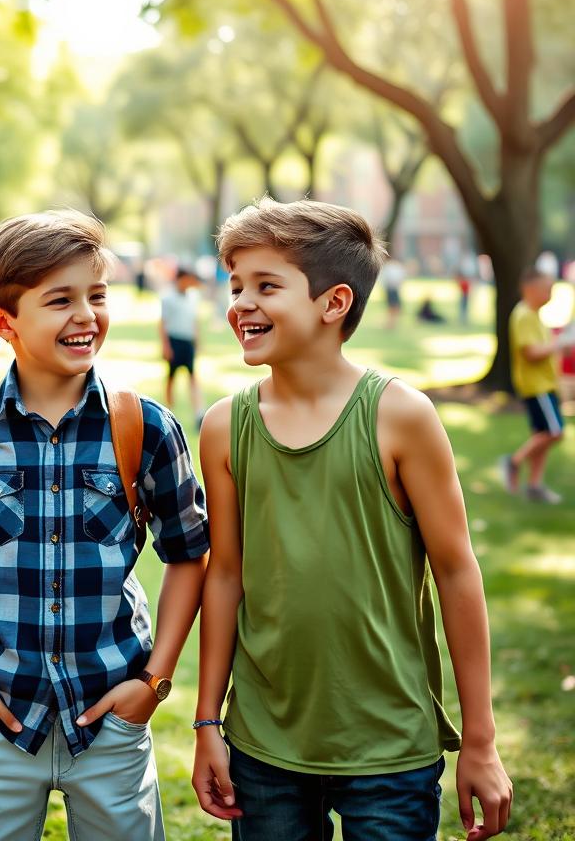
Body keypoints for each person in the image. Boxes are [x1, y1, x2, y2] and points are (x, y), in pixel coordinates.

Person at [192, 198, 511, 841]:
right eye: (236, 286)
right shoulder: (226, 427)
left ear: (334, 303)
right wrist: (206, 725)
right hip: (262, 745)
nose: (241, 304)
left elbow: (456, 572)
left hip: (390, 747)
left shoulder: (401, 417)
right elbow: (224, 575)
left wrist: (480, 739)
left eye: (266, 286)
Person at [0, 210, 209, 841]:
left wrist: (153, 683)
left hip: (111, 716)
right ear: (3, 322)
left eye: (97, 296)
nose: (86, 315)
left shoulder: (146, 429)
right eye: (60, 300)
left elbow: (188, 554)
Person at [499, 267, 569, 504]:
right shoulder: (524, 315)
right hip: (536, 385)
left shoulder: (535, 315)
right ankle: (514, 462)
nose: (550, 294)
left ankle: (534, 485)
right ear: (530, 289)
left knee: (541, 435)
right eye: (547, 289)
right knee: (554, 432)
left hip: (545, 384)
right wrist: (560, 344)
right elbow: (531, 352)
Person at [160, 267, 205, 428]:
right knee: (171, 378)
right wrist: (165, 346)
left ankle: (199, 413)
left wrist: (198, 342)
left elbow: (195, 320)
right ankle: (168, 412)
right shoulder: (168, 298)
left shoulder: (193, 297)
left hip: (188, 342)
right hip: (174, 341)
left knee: (193, 377)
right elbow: (163, 323)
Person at [381, 255, 406, 329]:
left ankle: (392, 323)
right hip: (392, 289)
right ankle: (391, 324)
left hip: (392, 289)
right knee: (393, 307)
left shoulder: (390, 266)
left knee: (394, 307)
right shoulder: (392, 266)